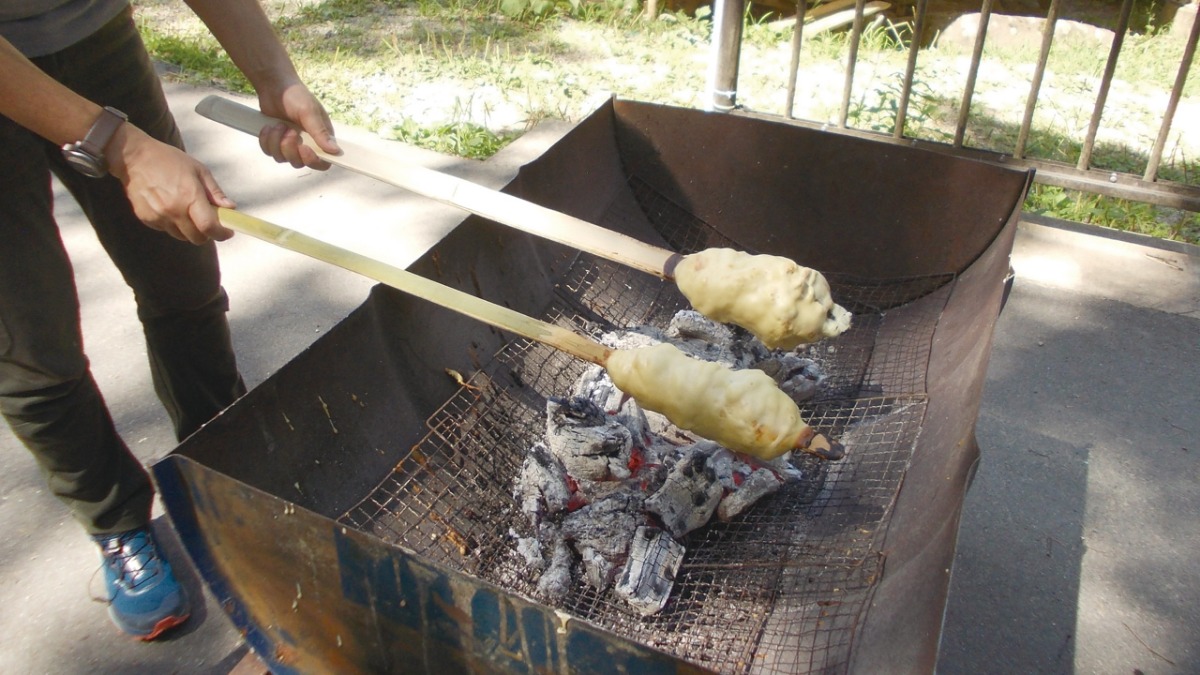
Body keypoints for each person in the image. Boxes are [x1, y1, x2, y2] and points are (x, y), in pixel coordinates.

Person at [0, 0, 339, 641]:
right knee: (28, 343)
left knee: (182, 274)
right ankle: (116, 522)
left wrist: (274, 75)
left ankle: (220, 467)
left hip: (89, 30)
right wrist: (119, 146)